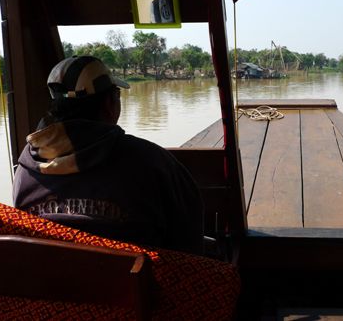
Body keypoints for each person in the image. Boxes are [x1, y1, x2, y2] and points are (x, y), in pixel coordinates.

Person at [13, 55, 204, 254]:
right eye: (117, 95)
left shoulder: (26, 168)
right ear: (109, 103)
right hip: (132, 284)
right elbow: (189, 245)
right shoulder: (152, 162)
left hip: (50, 283)